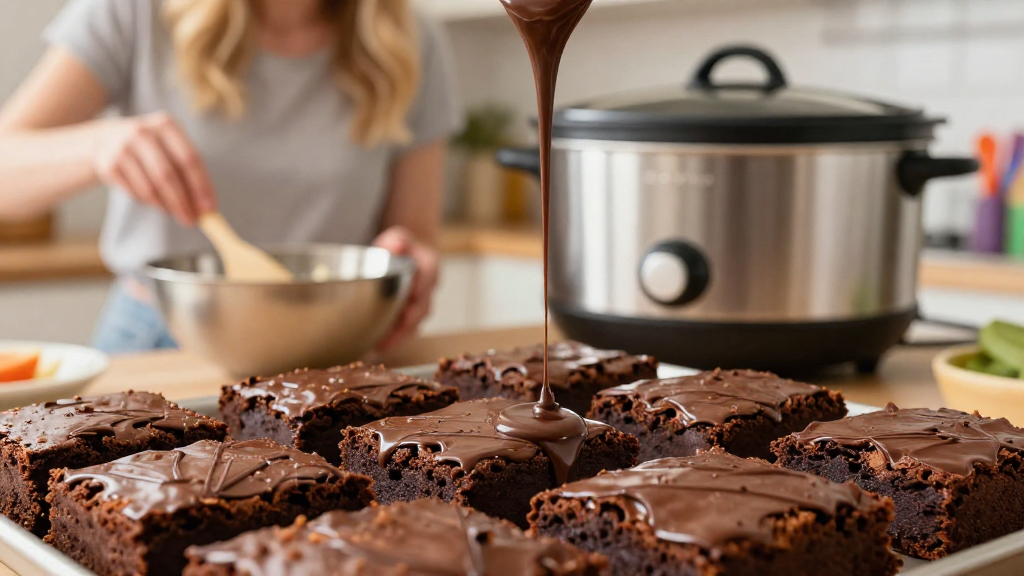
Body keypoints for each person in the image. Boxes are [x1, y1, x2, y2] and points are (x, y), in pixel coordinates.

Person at [0, 0, 462, 354]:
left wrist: (409, 262)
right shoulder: (135, 11)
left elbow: (415, 233)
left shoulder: (413, 40)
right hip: (160, 338)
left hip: (334, 348)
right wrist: (97, 145)